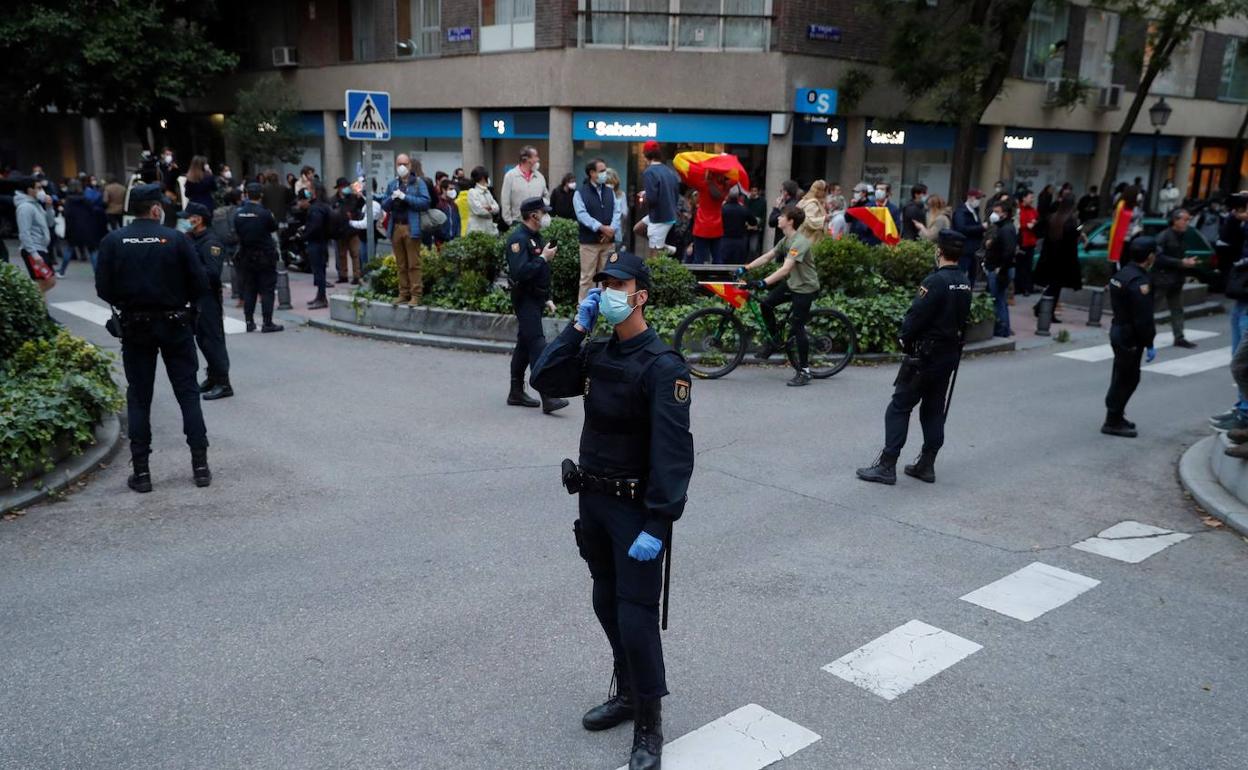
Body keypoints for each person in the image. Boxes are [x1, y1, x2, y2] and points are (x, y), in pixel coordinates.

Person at [529, 250, 694, 770]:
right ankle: (626, 694)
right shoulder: (597, 351)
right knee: (606, 603)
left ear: (640, 295)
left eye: (618, 284)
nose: (609, 292)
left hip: (635, 512)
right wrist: (576, 328)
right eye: (603, 284)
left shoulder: (664, 367)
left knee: (637, 617)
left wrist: (660, 521)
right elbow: (544, 379)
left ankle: (650, 722)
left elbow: (674, 454)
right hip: (593, 502)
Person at [95, 183, 212, 491]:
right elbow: (200, 282)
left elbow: (103, 288)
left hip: (135, 327)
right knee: (187, 393)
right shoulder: (176, 239)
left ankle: (143, 473)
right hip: (175, 324)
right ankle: (200, 467)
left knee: (139, 397)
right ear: (157, 210)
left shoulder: (113, 241)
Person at [857, 229, 972, 485]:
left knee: (899, 407)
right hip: (948, 354)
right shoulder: (964, 281)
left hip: (924, 355)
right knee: (933, 409)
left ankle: (887, 466)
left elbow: (916, 316)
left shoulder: (934, 281)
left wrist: (903, 338)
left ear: (939, 251)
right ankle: (926, 464)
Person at [738, 205, 821, 386]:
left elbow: (785, 269)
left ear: (790, 221)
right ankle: (774, 341)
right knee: (766, 304)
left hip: (805, 288)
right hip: (792, 284)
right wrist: (747, 267)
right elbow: (768, 256)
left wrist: (763, 282)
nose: (778, 218)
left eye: (782, 216)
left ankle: (805, 371)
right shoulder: (786, 240)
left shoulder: (800, 242)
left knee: (797, 328)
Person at [505, 197, 568, 415]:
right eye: (544, 212)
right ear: (533, 215)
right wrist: (543, 258)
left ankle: (515, 392)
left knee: (525, 345)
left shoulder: (536, 237)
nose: (546, 216)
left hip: (537, 298)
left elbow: (541, 271)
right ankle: (548, 396)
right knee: (538, 345)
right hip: (525, 299)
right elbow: (519, 272)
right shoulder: (518, 239)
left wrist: (548, 296)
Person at [1102, 237, 1158, 438]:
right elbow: (1143, 318)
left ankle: (1116, 416)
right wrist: (1150, 341)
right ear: (1149, 256)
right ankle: (1113, 420)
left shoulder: (1122, 274)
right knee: (1128, 378)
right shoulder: (1140, 281)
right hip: (1130, 336)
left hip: (1119, 329)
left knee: (1121, 375)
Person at [177, 202, 232, 401]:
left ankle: (224, 382)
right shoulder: (191, 238)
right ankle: (213, 376)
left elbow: (212, 273)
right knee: (202, 339)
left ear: (198, 220)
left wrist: (190, 270)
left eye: (187, 217)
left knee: (212, 340)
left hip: (207, 297)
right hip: (194, 296)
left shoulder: (211, 242)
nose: (184, 221)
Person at [233, 182, 284, 333]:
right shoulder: (265, 213)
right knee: (267, 289)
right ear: (261, 195)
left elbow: (237, 231)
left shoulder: (239, 213)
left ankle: (249, 322)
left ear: (247, 194)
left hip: (246, 255)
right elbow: (273, 227)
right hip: (265, 256)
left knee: (250, 289)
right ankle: (267, 322)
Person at [381, 154, 432, 305]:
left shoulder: (418, 183)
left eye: (404, 163)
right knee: (401, 264)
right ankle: (403, 293)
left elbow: (425, 202)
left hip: (411, 227)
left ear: (410, 165)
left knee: (413, 264)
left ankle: (416, 294)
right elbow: (384, 205)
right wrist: (393, 197)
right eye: (399, 164)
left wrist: (405, 197)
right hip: (396, 226)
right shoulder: (392, 184)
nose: (401, 167)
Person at [573, 158, 619, 302]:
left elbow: (617, 212)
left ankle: (605, 308)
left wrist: (611, 229)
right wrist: (601, 227)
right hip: (589, 243)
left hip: (608, 242)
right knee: (587, 277)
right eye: (601, 171)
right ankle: (584, 309)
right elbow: (582, 215)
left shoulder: (610, 191)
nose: (604, 174)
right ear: (592, 173)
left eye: (605, 170)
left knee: (608, 276)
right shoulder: (580, 193)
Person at [1154, 208, 1199, 348]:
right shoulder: (1164, 236)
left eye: (1188, 220)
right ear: (1175, 220)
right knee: (1150, 308)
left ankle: (1179, 337)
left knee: (1177, 309)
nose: (1187, 223)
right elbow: (1158, 257)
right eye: (1185, 220)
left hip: (1176, 278)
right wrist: (1181, 263)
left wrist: (1185, 261)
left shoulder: (1182, 236)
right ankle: (1138, 335)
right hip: (1162, 279)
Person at [1033, 195, 1081, 322]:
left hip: (1049, 259)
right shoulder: (1070, 221)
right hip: (1062, 261)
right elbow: (1071, 244)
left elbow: (1038, 230)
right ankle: (1045, 310)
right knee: (1055, 288)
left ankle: (1042, 308)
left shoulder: (1052, 218)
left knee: (1052, 286)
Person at [14, 177, 57, 296]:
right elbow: (24, 232)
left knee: (43, 282)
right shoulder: (25, 207)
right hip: (33, 250)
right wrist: (34, 254)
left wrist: (49, 207)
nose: (41, 191)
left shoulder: (36, 205)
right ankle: (29, 303)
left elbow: (50, 223)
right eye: (38, 188)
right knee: (47, 281)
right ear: (29, 190)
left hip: (41, 248)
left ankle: (42, 312)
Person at [641, 140, 682, 259]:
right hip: (670, 214)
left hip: (658, 217)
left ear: (645, 155)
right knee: (638, 228)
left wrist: (644, 197)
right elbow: (674, 192)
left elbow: (652, 198)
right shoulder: (669, 171)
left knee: (654, 255)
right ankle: (666, 247)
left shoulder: (649, 172)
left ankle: (660, 247)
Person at [983, 200, 1017, 338]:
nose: (994, 215)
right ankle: (1004, 328)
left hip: (999, 269)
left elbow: (1009, 252)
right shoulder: (1002, 227)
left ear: (1005, 213)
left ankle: (1002, 329)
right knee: (1000, 299)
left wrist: (1000, 269)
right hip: (998, 267)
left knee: (998, 300)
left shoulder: (1007, 229)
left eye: (997, 212)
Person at [61, 179, 104, 274]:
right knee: (92, 250)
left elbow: (67, 215)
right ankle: (97, 273)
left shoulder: (68, 201)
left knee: (69, 249)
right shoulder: (86, 199)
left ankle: (61, 271)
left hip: (73, 228)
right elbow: (92, 212)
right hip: (87, 227)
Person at [301, 187, 332, 309]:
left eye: (310, 189)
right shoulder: (322, 206)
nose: (308, 192)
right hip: (321, 241)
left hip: (316, 242)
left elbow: (315, 226)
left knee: (319, 271)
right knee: (319, 270)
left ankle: (321, 297)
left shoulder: (316, 208)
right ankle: (320, 296)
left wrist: (304, 236)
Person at [500, 146, 548, 226]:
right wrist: (509, 221)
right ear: (527, 159)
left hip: (537, 223)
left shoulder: (540, 177)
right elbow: (505, 200)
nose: (538, 159)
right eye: (535, 156)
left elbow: (546, 197)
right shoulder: (510, 176)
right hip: (517, 222)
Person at [690, 168, 730, 264]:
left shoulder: (703, 185)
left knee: (699, 258)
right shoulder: (725, 187)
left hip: (701, 226)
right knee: (717, 257)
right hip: (717, 226)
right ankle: (719, 278)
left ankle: (698, 278)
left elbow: (691, 179)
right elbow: (734, 180)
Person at [331, 177, 363, 284]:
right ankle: (343, 276)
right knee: (341, 255)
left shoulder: (354, 198)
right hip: (340, 231)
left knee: (355, 254)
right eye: (343, 186)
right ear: (339, 188)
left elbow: (360, 209)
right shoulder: (333, 200)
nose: (346, 188)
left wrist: (352, 215)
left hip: (353, 230)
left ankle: (356, 276)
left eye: (347, 186)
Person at [952, 188, 986, 286]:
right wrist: (981, 227)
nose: (978, 201)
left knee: (972, 274)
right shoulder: (961, 212)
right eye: (977, 198)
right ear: (970, 197)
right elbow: (961, 228)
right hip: (964, 248)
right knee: (962, 272)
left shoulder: (974, 211)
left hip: (973, 248)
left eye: (979, 198)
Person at [719, 190, 756, 264]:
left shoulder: (723, 209)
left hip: (725, 240)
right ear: (738, 198)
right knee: (738, 265)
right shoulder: (743, 209)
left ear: (728, 197)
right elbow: (753, 222)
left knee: (723, 264)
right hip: (740, 241)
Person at [1015, 189, 1038, 296]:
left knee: (1028, 266)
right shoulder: (1018, 209)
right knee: (1020, 266)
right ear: (1024, 198)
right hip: (1022, 241)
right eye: (1030, 197)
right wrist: (1026, 225)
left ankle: (1026, 287)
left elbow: (1037, 221)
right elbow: (1017, 224)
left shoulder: (1033, 210)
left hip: (1031, 242)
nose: (1032, 199)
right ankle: (1018, 287)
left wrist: (1035, 224)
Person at [466, 166, 501, 234]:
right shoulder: (472, 192)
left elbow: (497, 208)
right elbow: (479, 210)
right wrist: (491, 209)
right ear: (482, 178)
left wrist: (489, 207)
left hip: (489, 229)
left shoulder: (487, 191)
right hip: (477, 229)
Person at [768, 180, 801, 247]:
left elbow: (771, 222)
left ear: (786, 192)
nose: (780, 193)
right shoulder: (797, 204)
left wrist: (776, 207)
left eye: (781, 191)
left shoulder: (788, 207)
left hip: (784, 241)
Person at [797, 180, 828, 244]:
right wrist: (824, 219)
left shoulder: (807, 200)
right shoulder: (811, 204)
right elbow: (808, 221)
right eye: (825, 191)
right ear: (820, 191)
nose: (826, 194)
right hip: (808, 239)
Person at [604, 168, 628, 249]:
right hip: (603, 231)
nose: (609, 185)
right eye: (607, 183)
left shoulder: (621, 194)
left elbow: (624, 213)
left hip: (616, 231)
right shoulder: (600, 194)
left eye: (611, 183)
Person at [746, 184, 767, 254]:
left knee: (753, 248)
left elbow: (764, 216)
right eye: (752, 191)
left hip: (756, 228)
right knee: (745, 248)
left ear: (758, 192)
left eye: (755, 191)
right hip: (746, 227)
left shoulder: (762, 202)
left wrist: (758, 226)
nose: (753, 193)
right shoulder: (747, 200)